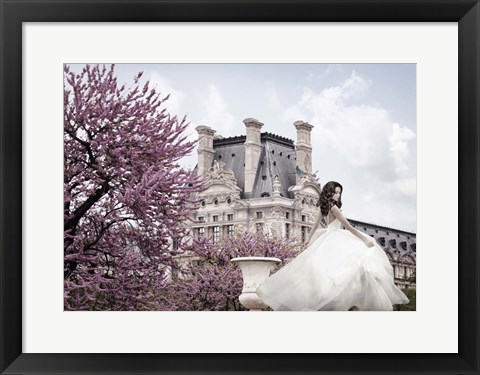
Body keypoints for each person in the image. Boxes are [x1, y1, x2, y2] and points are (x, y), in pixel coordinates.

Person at [256, 181, 410, 311]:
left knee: (330, 271)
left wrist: (307, 242)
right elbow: (348, 226)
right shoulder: (334, 208)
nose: (338, 195)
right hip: (336, 235)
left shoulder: (324, 207)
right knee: (352, 266)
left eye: (339, 193)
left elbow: (315, 226)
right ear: (330, 193)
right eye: (336, 192)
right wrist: (364, 239)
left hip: (327, 237)